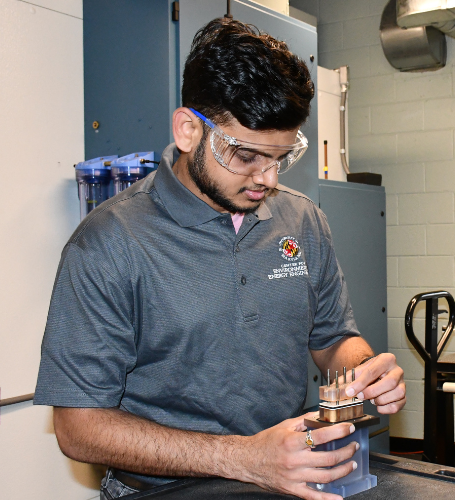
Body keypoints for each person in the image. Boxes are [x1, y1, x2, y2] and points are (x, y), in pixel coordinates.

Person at [33, 18, 405, 500]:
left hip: (286, 482)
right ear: (189, 129)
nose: (266, 179)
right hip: (162, 491)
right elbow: (77, 428)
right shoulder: (109, 242)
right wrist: (243, 458)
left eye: (281, 158)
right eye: (246, 155)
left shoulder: (302, 219)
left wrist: (366, 370)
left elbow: (332, 337)